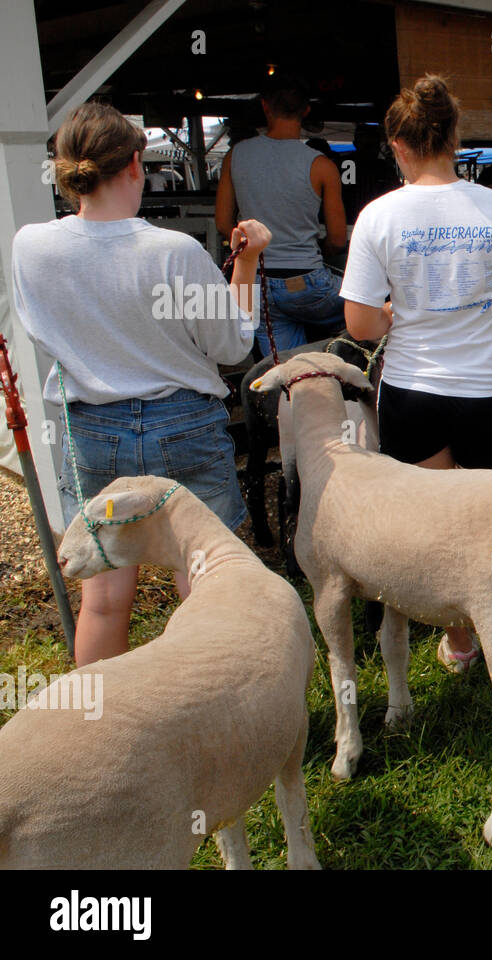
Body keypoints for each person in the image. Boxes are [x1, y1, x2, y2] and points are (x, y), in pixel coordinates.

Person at [13, 102, 264, 666]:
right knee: (206, 583)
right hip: (184, 422)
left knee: (103, 598)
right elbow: (231, 347)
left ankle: (101, 731)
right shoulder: (173, 251)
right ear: (135, 164)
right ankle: (216, 720)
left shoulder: (30, 245)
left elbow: (43, 332)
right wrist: (245, 268)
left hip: (92, 429)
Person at [340, 74, 492, 674]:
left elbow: (357, 324)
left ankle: (459, 641)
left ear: (397, 146)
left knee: (438, 530)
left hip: (412, 394)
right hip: (486, 392)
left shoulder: (378, 216)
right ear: (455, 137)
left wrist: (388, 314)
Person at [216, 73, 348, 358]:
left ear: (265, 107)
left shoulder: (236, 155)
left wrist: (252, 250)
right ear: (306, 110)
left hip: (259, 286)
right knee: (379, 304)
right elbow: (337, 240)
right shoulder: (322, 165)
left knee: (287, 374)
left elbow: (223, 223)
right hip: (310, 285)